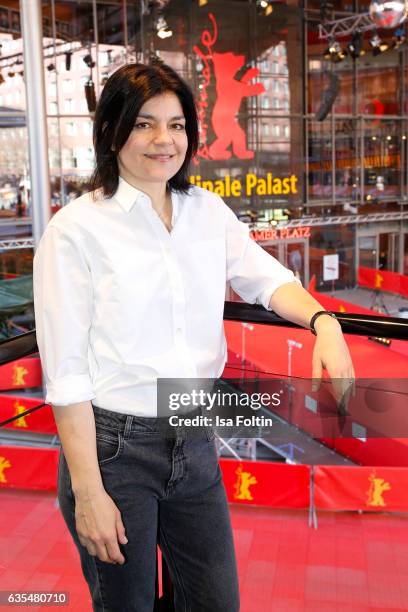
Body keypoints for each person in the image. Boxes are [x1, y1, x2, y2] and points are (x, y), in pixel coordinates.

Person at [33, 62, 355, 612]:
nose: (164, 140)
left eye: (177, 125)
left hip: (193, 430)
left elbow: (267, 278)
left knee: (214, 601)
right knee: (126, 604)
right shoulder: (75, 230)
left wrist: (325, 322)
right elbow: (66, 378)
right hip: (113, 448)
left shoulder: (205, 211)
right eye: (144, 124)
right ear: (111, 132)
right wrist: (89, 493)